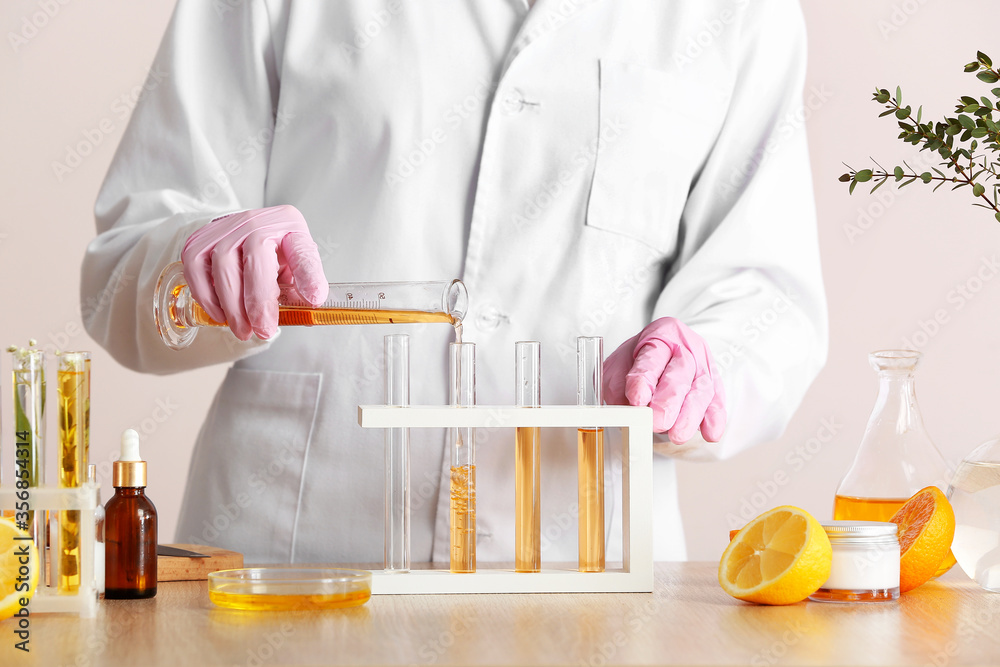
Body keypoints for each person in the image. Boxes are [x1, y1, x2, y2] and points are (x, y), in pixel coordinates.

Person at [82, 0, 826, 564]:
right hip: (296, 559)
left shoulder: (739, 14)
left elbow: (767, 298)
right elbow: (125, 258)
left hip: (584, 565)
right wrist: (196, 262)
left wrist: (702, 371)